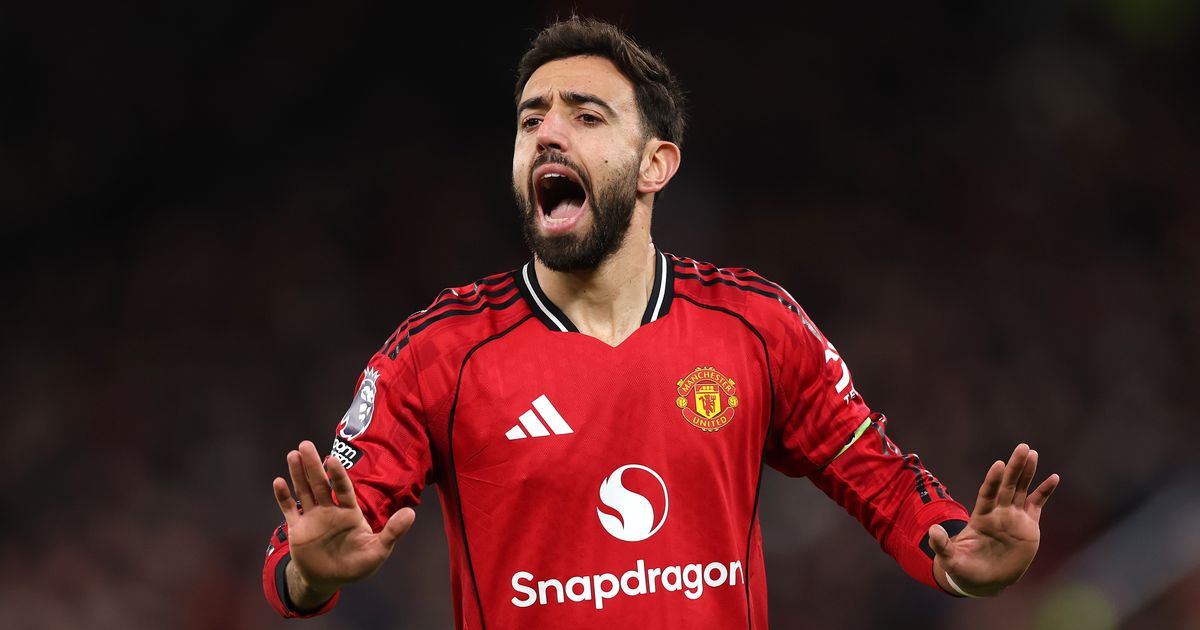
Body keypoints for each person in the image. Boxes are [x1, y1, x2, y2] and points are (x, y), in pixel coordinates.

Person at [262, 16, 1060, 629]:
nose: (548, 131)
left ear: (655, 164)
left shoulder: (755, 327)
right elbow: (308, 543)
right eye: (531, 119)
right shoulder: (439, 354)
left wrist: (956, 555)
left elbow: (882, 479)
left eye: (586, 116)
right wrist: (309, 575)